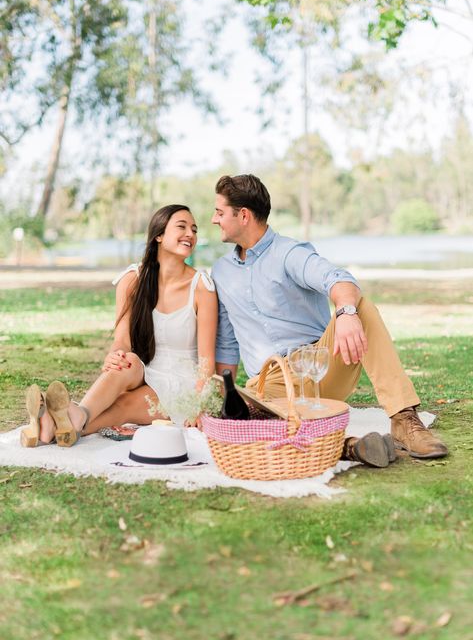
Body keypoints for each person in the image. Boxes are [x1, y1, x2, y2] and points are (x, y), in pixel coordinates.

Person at [211, 174, 448, 466]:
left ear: (243, 215)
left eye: (220, 212)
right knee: (244, 423)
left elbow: (338, 279)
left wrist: (346, 313)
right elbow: (227, 343)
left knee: (359, 306)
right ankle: (349, 447)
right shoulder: (220, 272)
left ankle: (403, 419)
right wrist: (225, 394)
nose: (214, 219)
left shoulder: (289, 253)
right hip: (269, 384)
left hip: (319, 368)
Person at [21, 204, 218, 448]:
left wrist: (198, 405)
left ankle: (50, 426)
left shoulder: (201, 286)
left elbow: (207, 361)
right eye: (182, 226)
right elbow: (122, 340)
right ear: (158, 235)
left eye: (194, 229)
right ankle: (75, 415)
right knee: (128, 360)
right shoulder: (132, 280)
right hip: (144, 369)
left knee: (123, 405)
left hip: (181, 383)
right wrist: (115, 356)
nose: (191, 234)